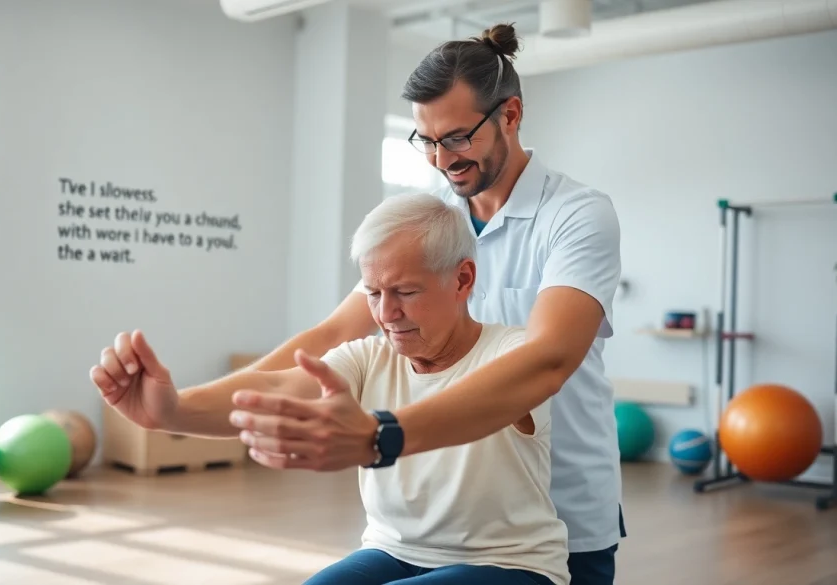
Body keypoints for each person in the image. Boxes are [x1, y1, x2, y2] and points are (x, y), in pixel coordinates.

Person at [232, 23, 624, 585]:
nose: (441, 159)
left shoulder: (577, 215)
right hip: (438, 515)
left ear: (510, 116)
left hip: (559, 514)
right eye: (427, 141)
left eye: (458, 137)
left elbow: (548, 361)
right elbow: (333, 334)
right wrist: (185, 404)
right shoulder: (429, 216)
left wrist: (381, 433)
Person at [91, 192, 571, 585]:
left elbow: (471, 407)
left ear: (462, 279)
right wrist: (171, 411)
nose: (385, 314)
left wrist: (378, 433)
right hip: (393, 551)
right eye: (373, 293)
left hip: (510, 564)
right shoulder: (369, 356)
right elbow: (281, 387)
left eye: (405, 292)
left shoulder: (511, 353)